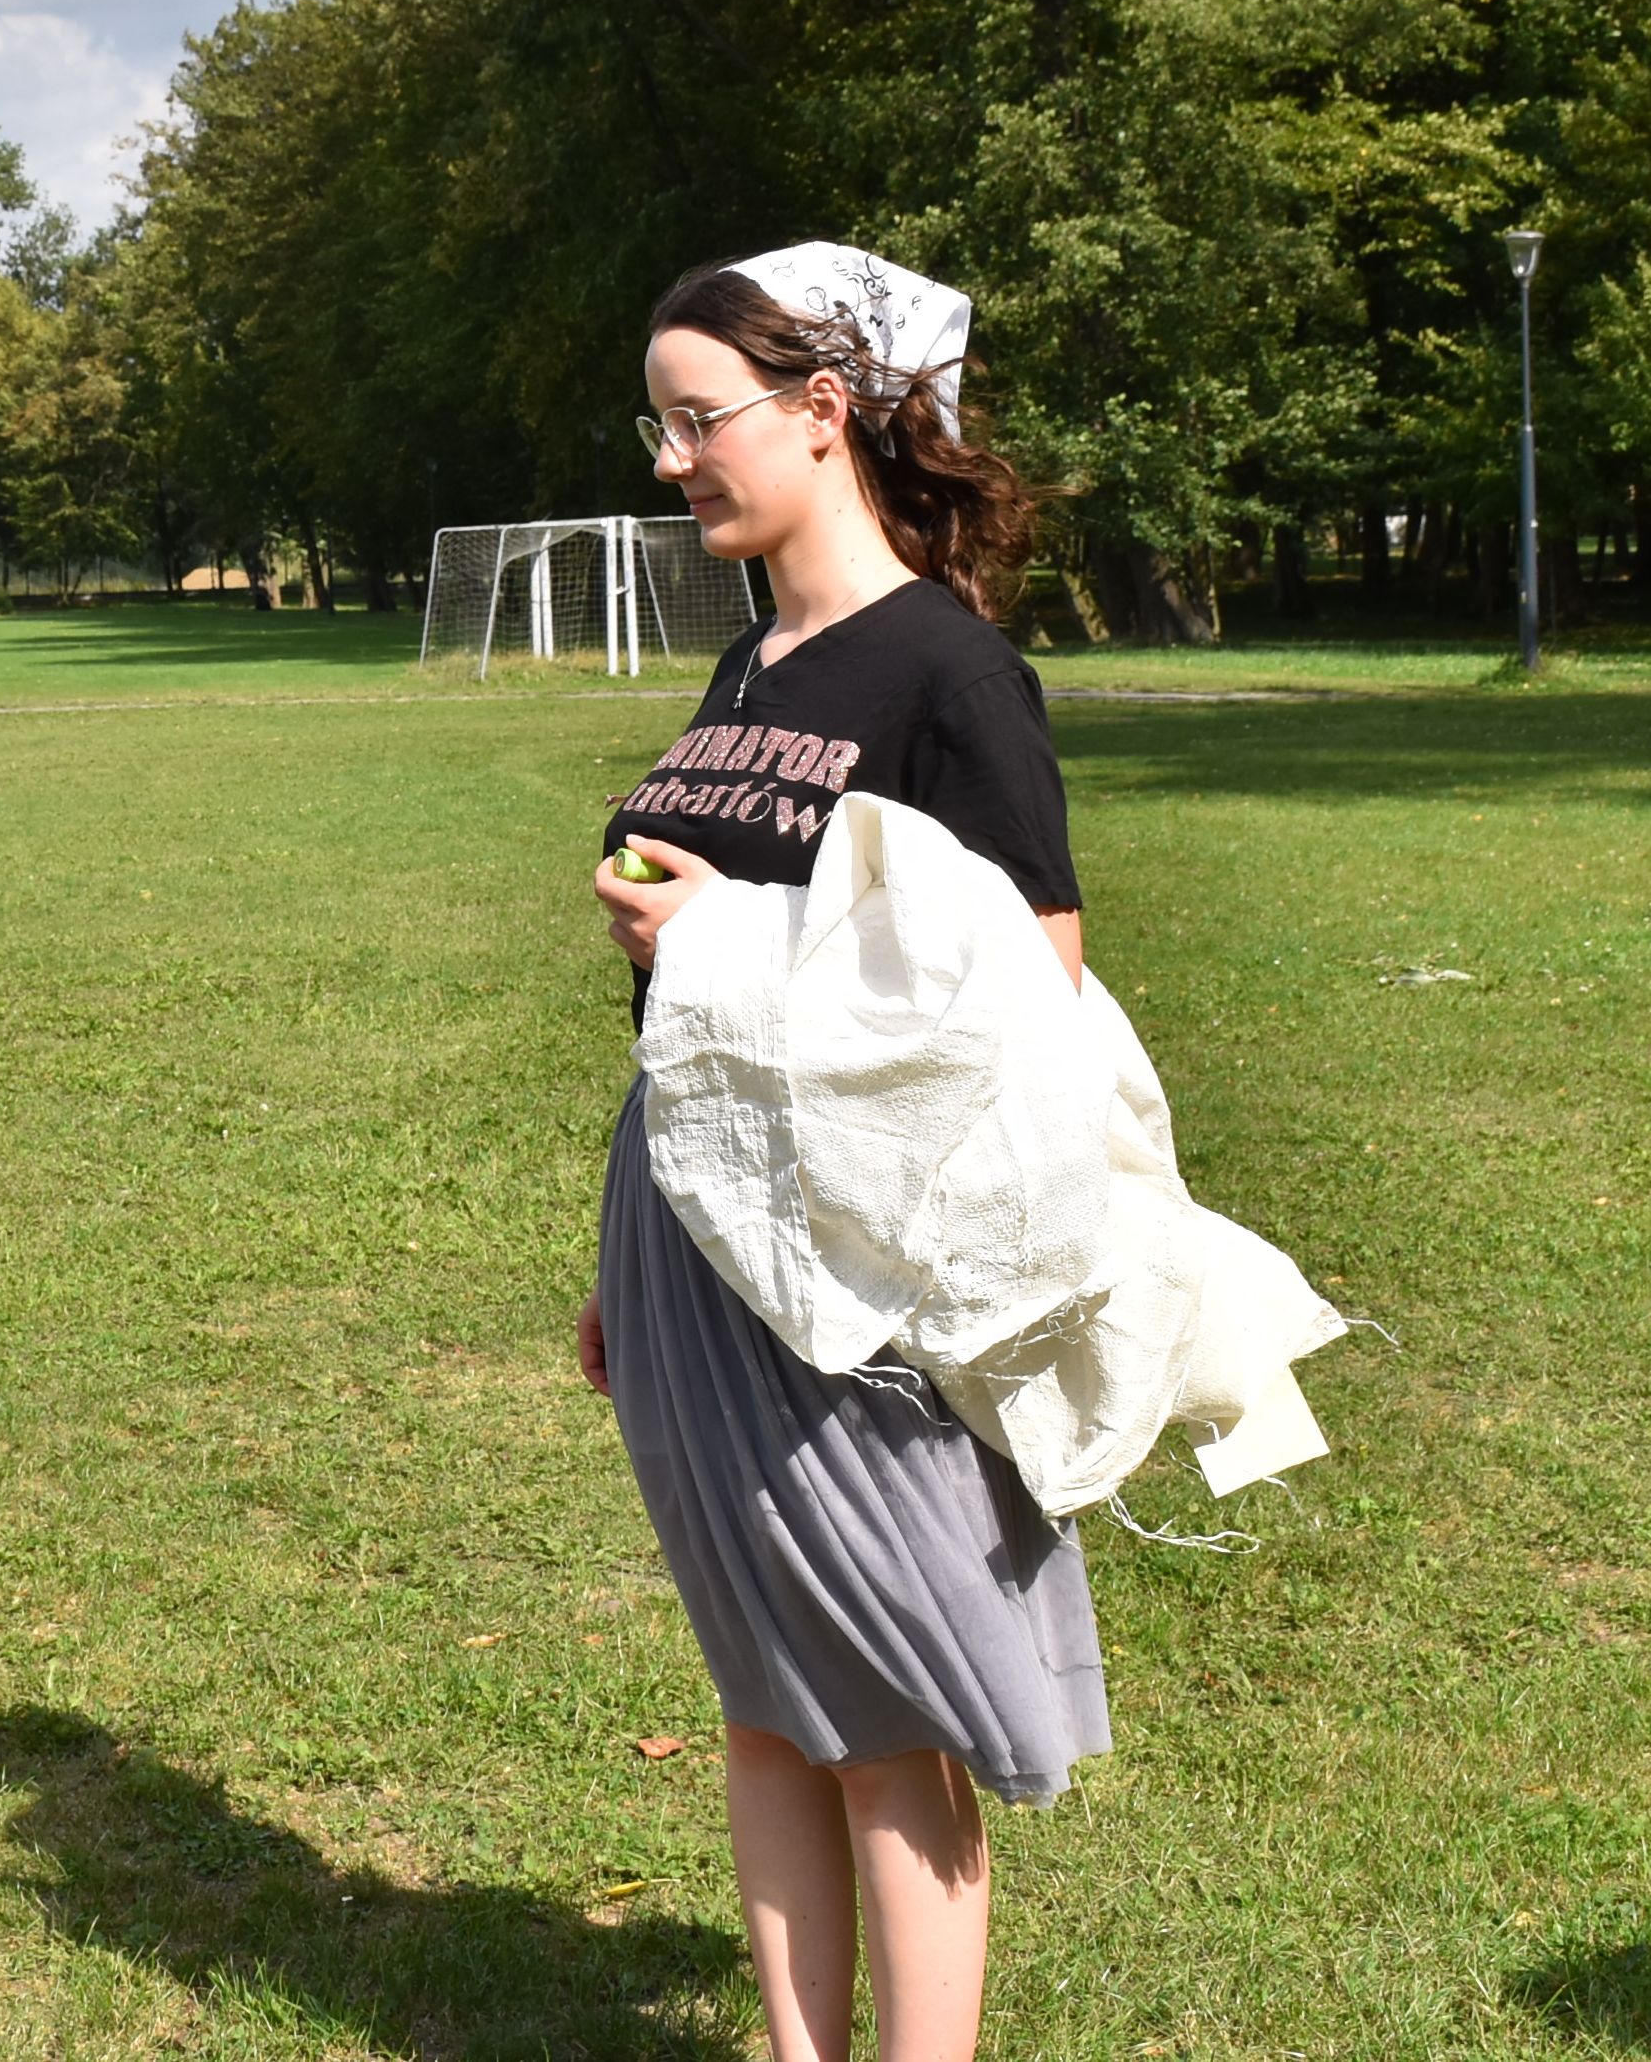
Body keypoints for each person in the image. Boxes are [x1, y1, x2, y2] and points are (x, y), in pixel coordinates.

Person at [582, 246, 1100, 2062]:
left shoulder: (951, 674)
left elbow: (1033, 996)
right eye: (658, 426)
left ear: (823, 412)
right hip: (691, 1227)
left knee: (888, 1695)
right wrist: (618, 1264)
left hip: (851, 1260)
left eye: (698, 420)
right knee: (762, 1681)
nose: (673, 461)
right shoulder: (753, 657)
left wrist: (727, 937)